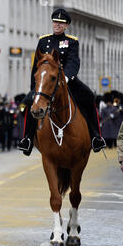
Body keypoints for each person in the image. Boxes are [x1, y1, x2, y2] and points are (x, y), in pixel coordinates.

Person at [17, 8, 106, 156]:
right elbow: (36, 68)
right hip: (46, 83)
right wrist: (34, 88)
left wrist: (65, 78)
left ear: (66, 26)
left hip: (67, 82)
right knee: (30, 103)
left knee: (89, 97)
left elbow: (73, 62)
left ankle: (96, 136)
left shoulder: (71, 42)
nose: (57, 25)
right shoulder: (43, 41)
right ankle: (27, 139)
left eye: (61, 23)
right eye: (55, 22)